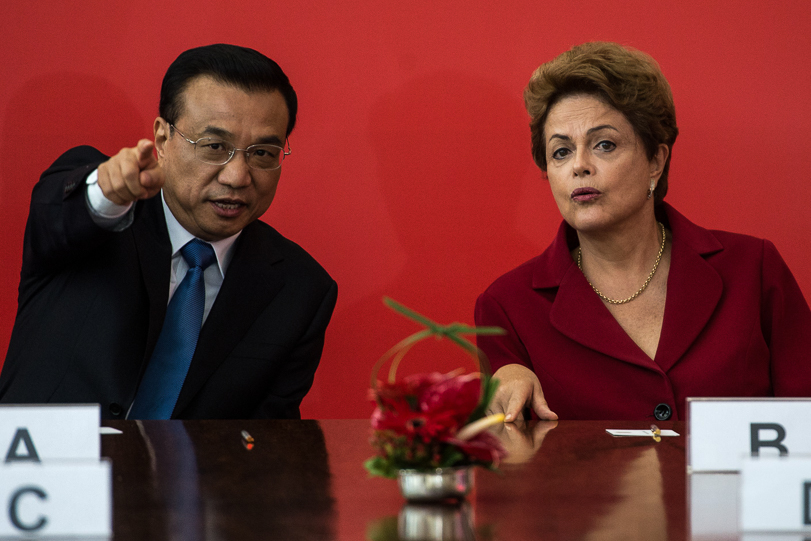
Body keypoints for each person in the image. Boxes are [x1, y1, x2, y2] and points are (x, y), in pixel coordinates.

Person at [475, 42, 811, 422]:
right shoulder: (507, 306)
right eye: (561, 152)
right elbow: (509, 463)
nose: (580, 166)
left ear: (655, 160)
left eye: (604, 144)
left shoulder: (754, 269)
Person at [0, 44, 337, 420]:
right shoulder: (102, 217)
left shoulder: (300, 289)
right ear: (163, 140)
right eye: (214, 146)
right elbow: (63, 212)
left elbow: (267, 443)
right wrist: (106, 192)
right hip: (39, 471)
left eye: (262, 154)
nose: (238, 177)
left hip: (193, 479)